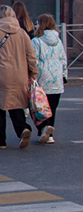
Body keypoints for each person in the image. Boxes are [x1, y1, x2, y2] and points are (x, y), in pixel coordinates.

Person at [0, 5, 38, 149]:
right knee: (16, 104)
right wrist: (33, 73)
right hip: (19, 74)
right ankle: (23, 129)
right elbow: (31, 55)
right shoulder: (22, 33)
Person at [31, 14, 67, 144]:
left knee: (38, 107)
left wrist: (31, 75)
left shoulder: (36, 41)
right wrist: (64, 75)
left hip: (42, 77)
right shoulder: (58, 41)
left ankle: (44, 128)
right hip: (56, 77)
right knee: (52, 107)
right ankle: (49, 134)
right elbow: (63, 59)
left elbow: (33, 60)